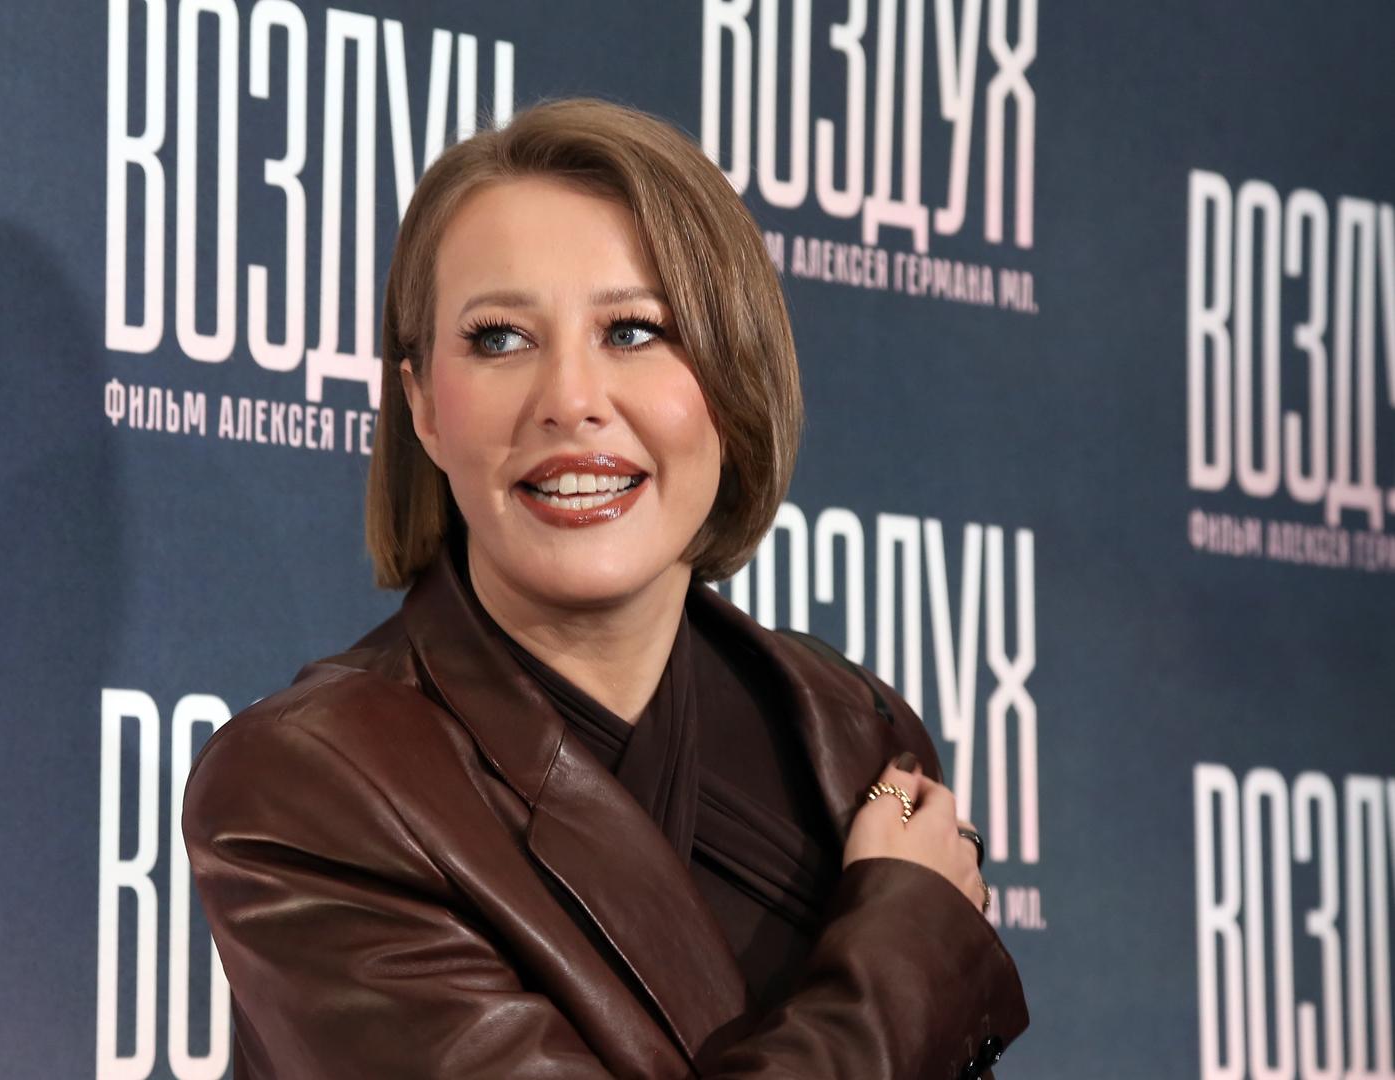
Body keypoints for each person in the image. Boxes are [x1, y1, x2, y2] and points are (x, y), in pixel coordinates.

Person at [182, 98, 1028, 1079]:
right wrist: (903, 957)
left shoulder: (851, 728)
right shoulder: (306, 787)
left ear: (734, 378)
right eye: (501, 339)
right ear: (422, 406)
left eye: (633, 330)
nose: (571, 401)